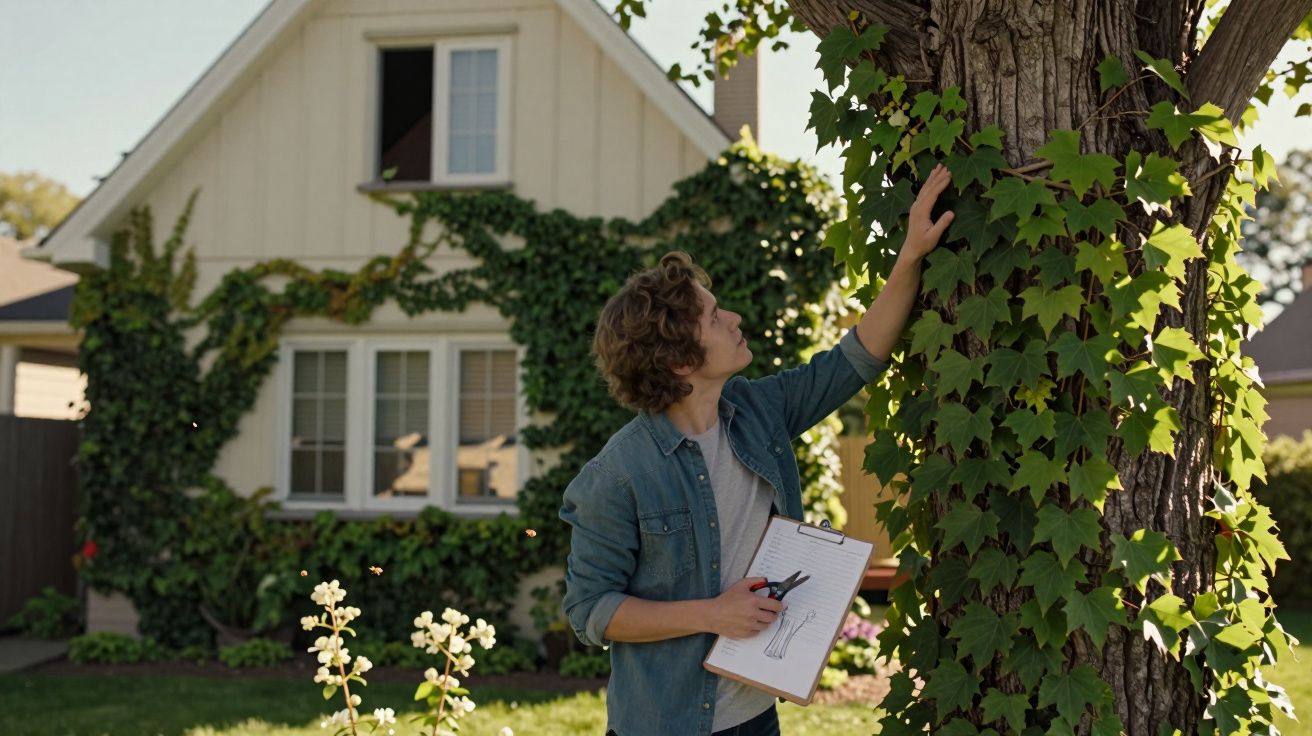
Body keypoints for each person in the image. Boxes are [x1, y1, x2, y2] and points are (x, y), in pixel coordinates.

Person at [559, 165, 955, 736]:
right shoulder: (617, 476)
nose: (734, 318)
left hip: (755, 715)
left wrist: (911, 253)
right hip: (664, 724)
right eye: (714, 317)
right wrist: (713, 614)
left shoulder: (757, 412)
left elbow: (857, 357)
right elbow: (590, 610)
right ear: (680, 361)